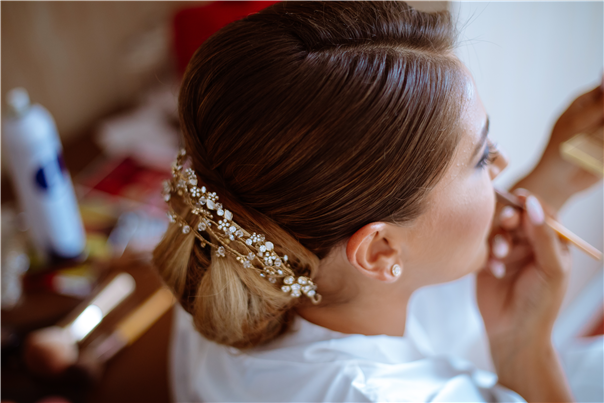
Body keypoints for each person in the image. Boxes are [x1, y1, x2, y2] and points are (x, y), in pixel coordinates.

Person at [153, 0, 603, 401]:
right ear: (379, 250)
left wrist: (554, 179)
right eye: (482, 157)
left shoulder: (226, 261)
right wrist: (526, 350)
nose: (503, 162)